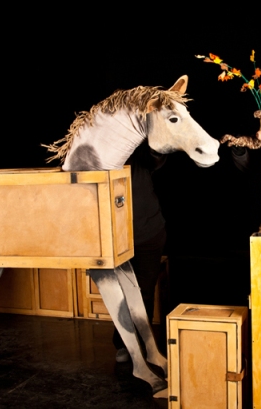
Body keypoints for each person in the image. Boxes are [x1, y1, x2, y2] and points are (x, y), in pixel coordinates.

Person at [113, 141, 167, 363]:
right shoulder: (104, 155)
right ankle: (124, 344)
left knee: (144, 291)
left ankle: (144, 344)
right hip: (116, 239)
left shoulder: (139, 151)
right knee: (121, 293)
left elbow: (154, 157)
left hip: (149, 234)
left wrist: (156, 147)